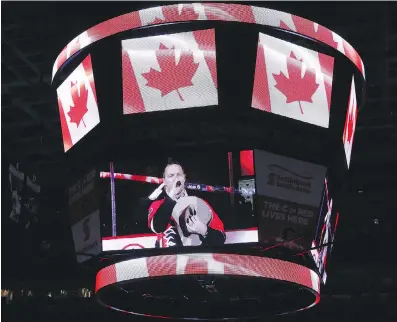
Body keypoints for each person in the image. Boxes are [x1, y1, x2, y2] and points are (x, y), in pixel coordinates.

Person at [147, 162, 226, 248]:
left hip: (196, 258)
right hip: (168, 259)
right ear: (164, 181)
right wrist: (172, 196)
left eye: (179, 175)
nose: (175, 179)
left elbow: (221, 238)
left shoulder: (198, 203)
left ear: (184, 178)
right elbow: (158, 227)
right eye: (171, 176)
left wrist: (204, 230)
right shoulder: (157, 204)